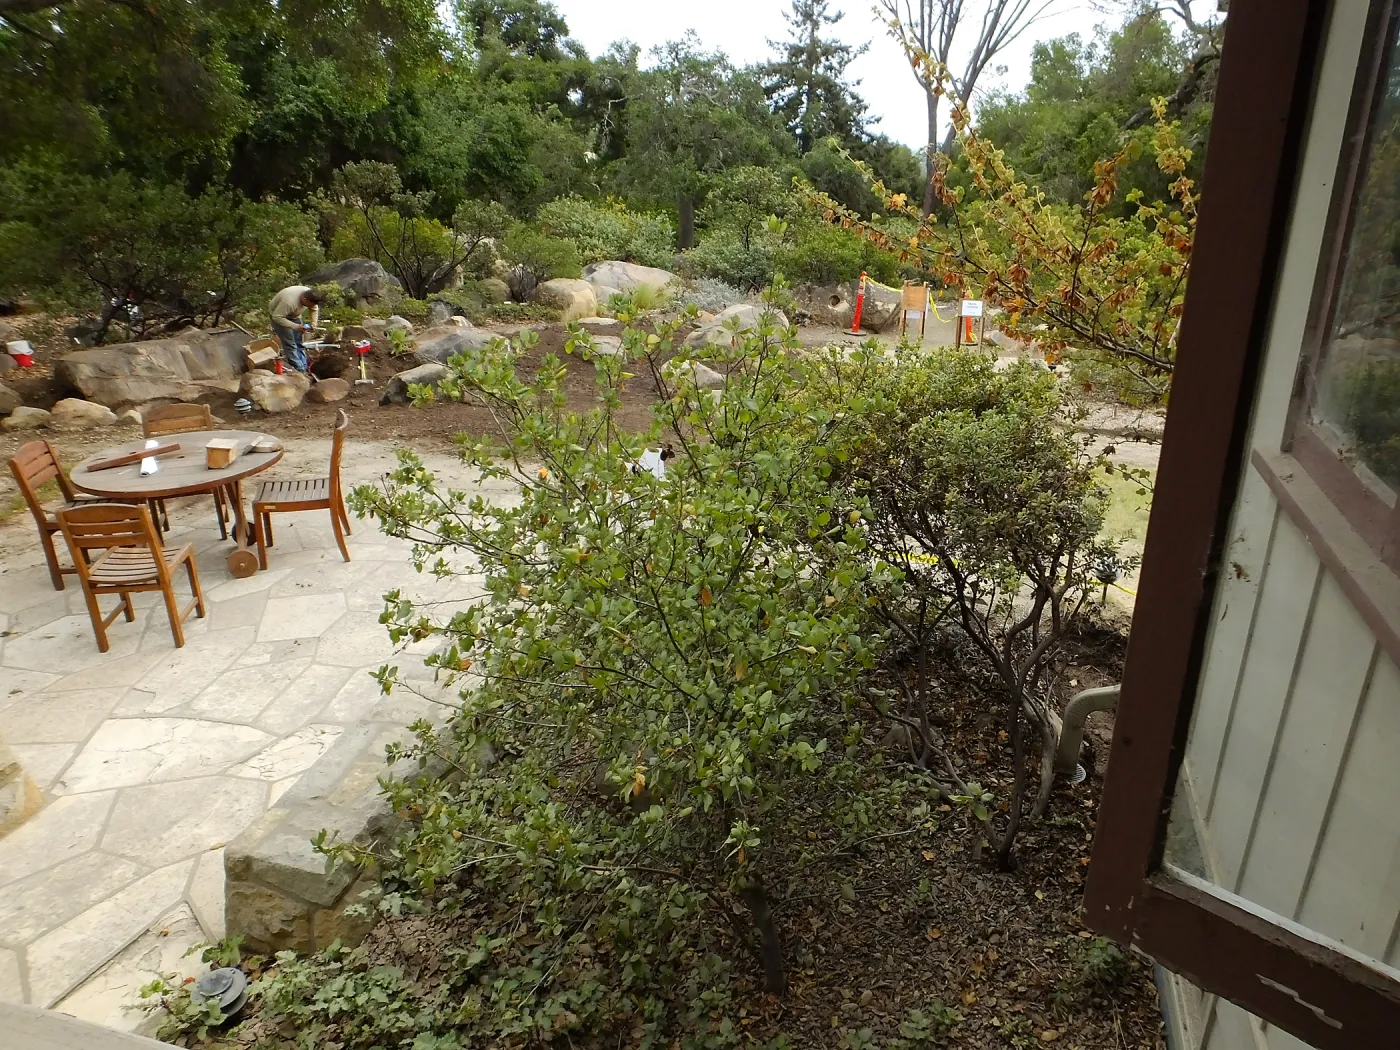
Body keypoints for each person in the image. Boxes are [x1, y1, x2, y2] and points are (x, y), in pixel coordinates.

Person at [268, 285, 325, 375]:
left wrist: (313, 324)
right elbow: (277, 317)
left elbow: (314, 309)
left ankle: (305, 367)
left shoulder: (310, 296)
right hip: (279, 317)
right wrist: (296, 327)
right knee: (290, 344)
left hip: (294, 316)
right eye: (310, 305)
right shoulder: (289, 302)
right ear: (305, 300)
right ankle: (300, 370)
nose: (312, 306)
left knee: (298, 343)